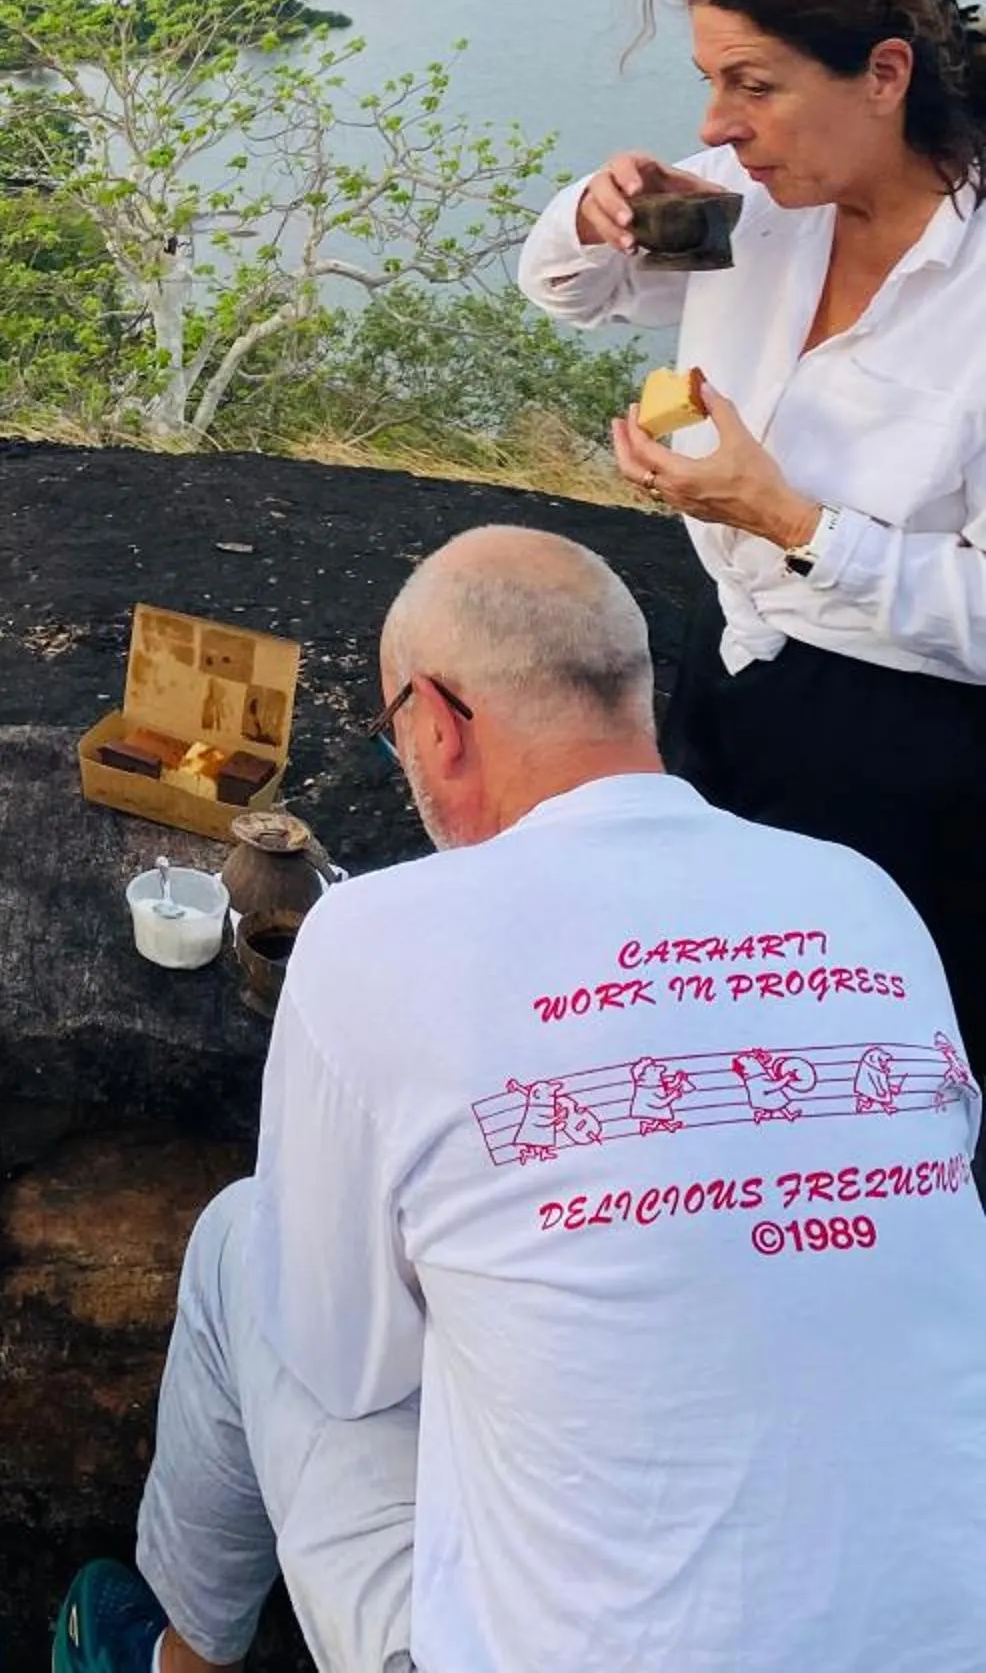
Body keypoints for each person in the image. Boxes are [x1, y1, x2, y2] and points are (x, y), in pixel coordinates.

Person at [57, 526, 986, 1673]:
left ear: (438, 724)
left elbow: (345, 1362)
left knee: (247, 1244)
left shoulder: (380, 934)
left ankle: (177, 1659)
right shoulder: (867, 903)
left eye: (397, 732)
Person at [517, 0, 986, 1057]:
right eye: (710, 82)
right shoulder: (755, 201)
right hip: (734, 661)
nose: (718, 126)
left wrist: (795, 523)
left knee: (878, 1065)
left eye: (754, 86)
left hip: (916, 749)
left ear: (885, 74)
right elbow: (565, 289)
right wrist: (597, 205)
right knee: (720, 1032)